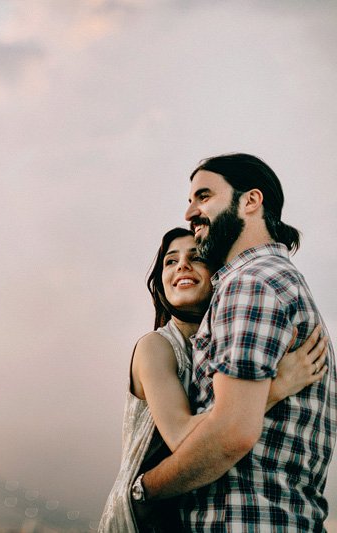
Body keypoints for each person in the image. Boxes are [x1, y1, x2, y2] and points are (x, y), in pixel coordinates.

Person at [133, 153, 336, 531]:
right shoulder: (273, 280)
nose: (190, 212)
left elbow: (231, 433)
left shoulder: (249, 284)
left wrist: (145, 488)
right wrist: (274, 390)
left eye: (204, 196)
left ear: (250, 201)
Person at [98, 227, 327, 532]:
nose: (181, 265)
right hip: (141, 518)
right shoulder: (156, 346)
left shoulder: (220, 348)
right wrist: (276, 387)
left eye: (196, 257)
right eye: (170, 261)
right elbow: (182, 438)